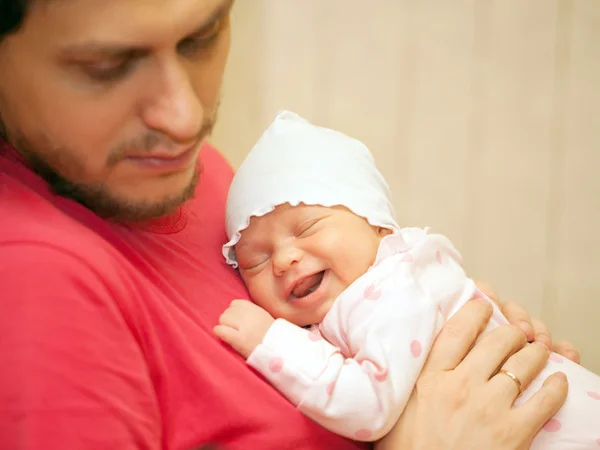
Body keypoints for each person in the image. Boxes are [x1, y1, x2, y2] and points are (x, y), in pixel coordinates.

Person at [0, 0, 579, 449]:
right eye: (106, 67)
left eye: (201, 38)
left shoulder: (191, 178)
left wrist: (477, 360)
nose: (183, 120)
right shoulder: (36, 279)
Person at [216, 111, 600, 448]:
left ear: (378, 224)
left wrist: (271, 342)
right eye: (256, 261)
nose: (283, 260)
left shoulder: (390, 289)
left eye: (307, 227)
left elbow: (370, 408)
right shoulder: (356, 299)